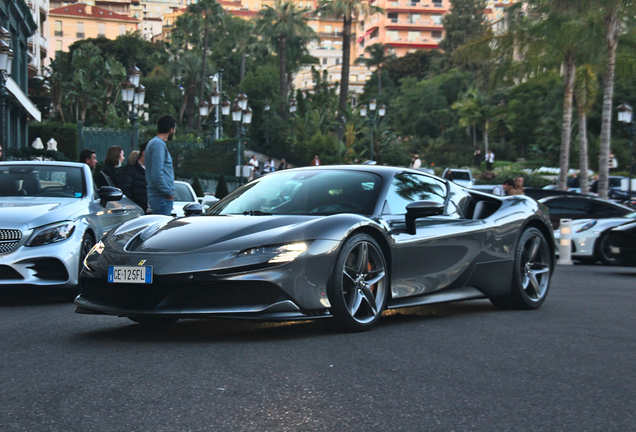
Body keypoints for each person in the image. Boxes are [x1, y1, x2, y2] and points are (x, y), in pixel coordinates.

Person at [146, 115, 176, 216]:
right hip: (161, 198)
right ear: (171, 130)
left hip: (159, 197)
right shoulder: (158, 145)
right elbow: (157, 173)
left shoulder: (155, 143)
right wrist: (168, 192)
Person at [121, 142, 149, 213]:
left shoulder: (151, 170)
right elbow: (125, 188)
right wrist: (134, 206)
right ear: (144, 153)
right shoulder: (130, 170)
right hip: (137, 210)